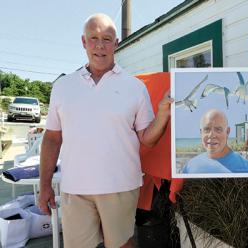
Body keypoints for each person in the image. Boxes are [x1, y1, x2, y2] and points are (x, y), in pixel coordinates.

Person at [38, 13, 172, 248]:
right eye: (94, 38)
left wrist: (162, 114)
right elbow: (52, 138)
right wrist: (45, 184)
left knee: (123, 245)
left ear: (116, 43)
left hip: (120, 185)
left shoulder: (135, 87)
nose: (100, 45)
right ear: (83, 41)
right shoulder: (62, 87)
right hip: (75, 187)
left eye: (107, 39)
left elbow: (147, 139)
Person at [182, 109, 248, 174]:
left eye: (218, 129)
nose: (211, 135)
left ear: (227, 132)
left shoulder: (246, 168)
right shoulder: (190, 167)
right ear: (201, 132)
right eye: (207, 129)